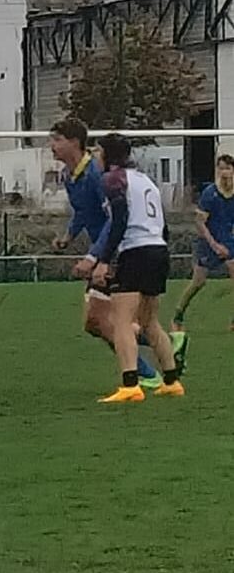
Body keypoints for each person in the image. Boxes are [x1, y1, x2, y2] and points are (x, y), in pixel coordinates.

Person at [78, 134, 183, 404]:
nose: (95, 156)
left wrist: (104, 260)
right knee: (149, 321)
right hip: (158, 250)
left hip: (136, 251)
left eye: (98, 151)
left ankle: (130, 385)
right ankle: (172, 381)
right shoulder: (146, 180)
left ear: (108, 154)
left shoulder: (114, 179)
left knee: (122, 321)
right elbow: (164, 226)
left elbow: (119, 220)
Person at [171, 153, 234, 338]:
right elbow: (200, 223)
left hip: (228, 241)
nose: (224, 172)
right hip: (208, 242)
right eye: (221, 168)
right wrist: (214, 245)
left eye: (228, 168)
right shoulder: (210, 194)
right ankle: (177, 316)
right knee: (198, 282)